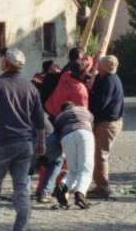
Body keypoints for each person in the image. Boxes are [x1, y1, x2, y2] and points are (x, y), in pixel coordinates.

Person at [0, 49, 46, 231]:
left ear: (5, 64)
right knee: (22, 187)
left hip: (0, 143)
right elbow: (39, 119)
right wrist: (41, 142)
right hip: (24, 144)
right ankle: (21, 227)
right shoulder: (31, 88)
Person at [35, 54, 91, 201]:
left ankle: (42, 188)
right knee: (59, 159)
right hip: (65, 123)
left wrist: (84, 57)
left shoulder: (64, 77)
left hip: (49, 116)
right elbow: (82, 113)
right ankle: (52, 189)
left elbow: (71, 68)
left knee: (49, 157)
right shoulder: (79, 90)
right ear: (83, 73)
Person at [87, 54, 124, 200]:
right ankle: (101, 185)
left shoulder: (109, 81)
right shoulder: (105, 78)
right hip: (107, 122)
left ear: (103, 66)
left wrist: (88, 114)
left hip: (108, 123)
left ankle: (102, 188)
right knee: (99, 154)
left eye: (99, 63)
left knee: (100, 155)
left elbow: (101, 103)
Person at [51, 101, 95, 209]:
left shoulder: (59, 117)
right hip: (84, 133)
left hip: (67, 136)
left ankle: (62, 186)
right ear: (73, 106)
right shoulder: (84, 110)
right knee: (86, 169)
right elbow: (92, 122)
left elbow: (56, 133)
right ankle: (80, 194)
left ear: (62, 110)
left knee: (73, 170)